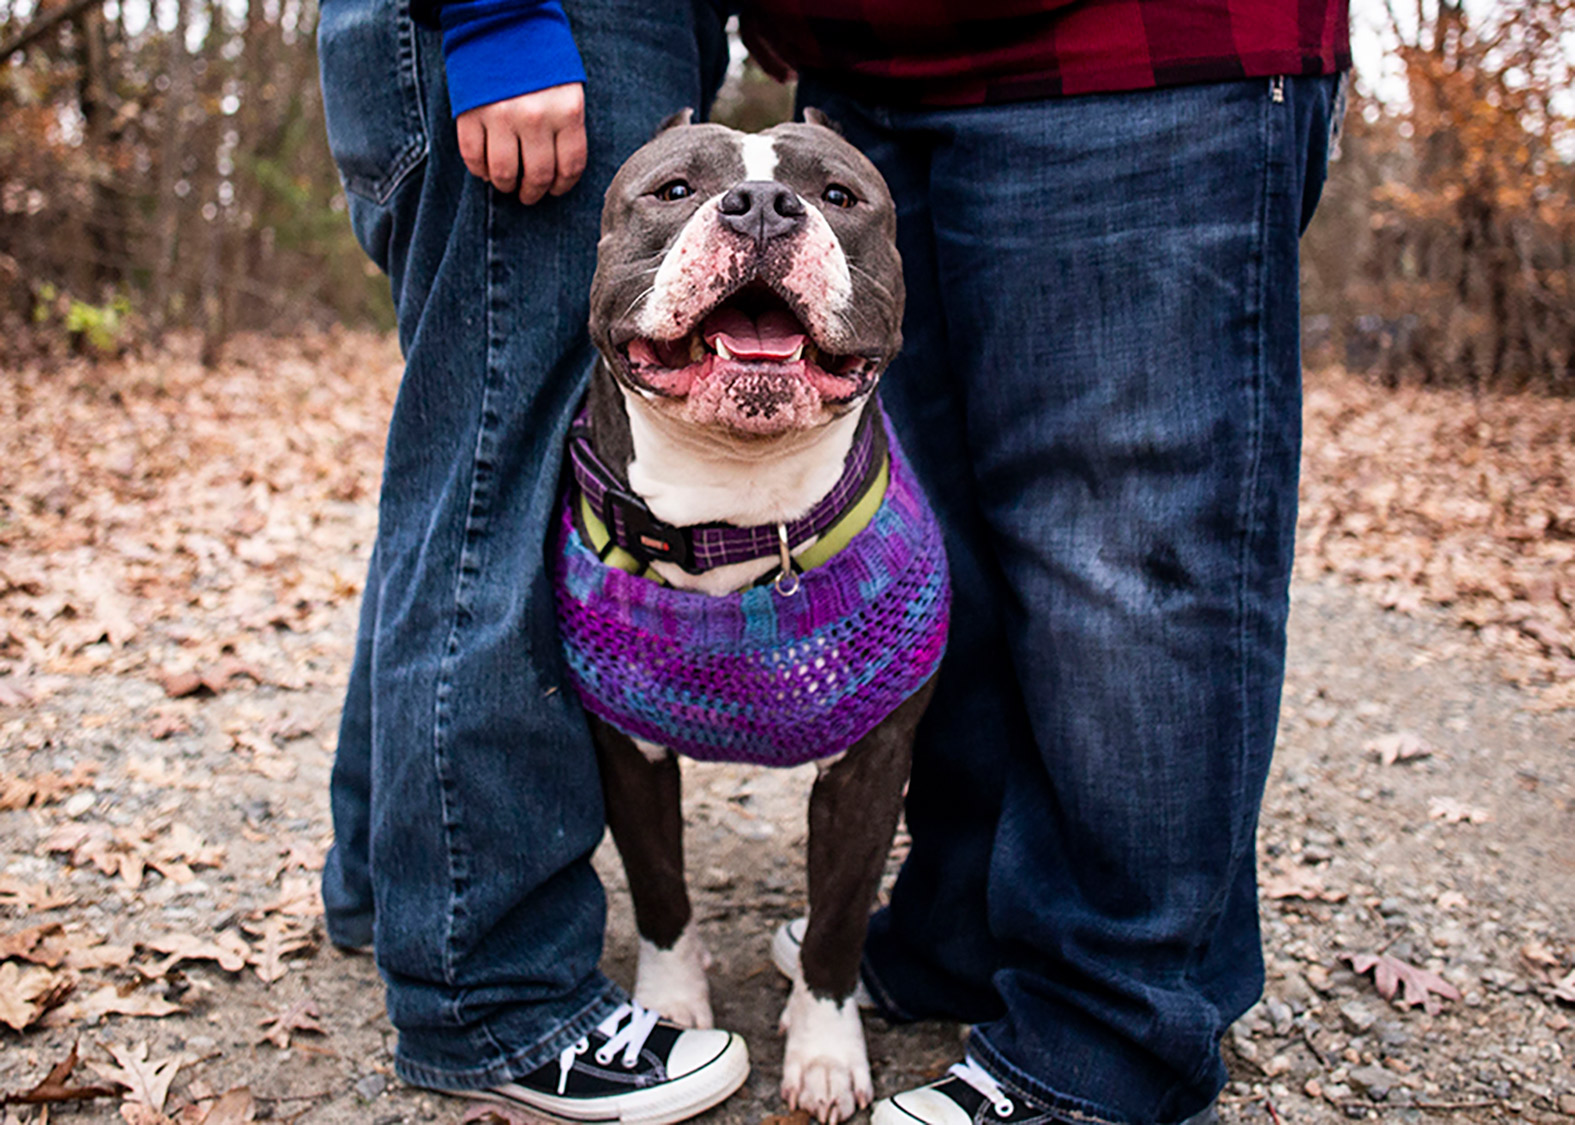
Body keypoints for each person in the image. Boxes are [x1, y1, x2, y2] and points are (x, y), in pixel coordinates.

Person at [738, 6, 1349, 1124]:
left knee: (1119, 554)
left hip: (1132, 54)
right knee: (932, 553)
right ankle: (963, 931)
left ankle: (1112, 1033)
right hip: (867, 78)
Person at [315, 0, 750, 1119]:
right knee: (505, 483)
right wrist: (501, 17)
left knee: (468, 474)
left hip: (560, 34)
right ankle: (494, 994)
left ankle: (390, 888)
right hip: (554, 23)